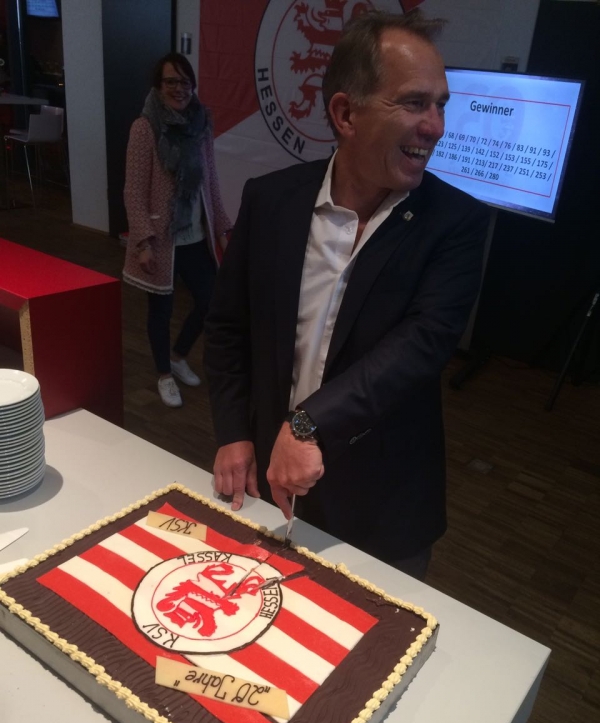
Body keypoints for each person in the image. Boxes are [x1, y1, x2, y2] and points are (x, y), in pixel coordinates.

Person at [203, 10, 490, 580]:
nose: (436, 126)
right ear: (346, 113)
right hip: (267, 480)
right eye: (415, 103)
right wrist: (233, 432)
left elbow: (423, 345)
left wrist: (307, 424)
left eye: (441, 105)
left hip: (383, 508)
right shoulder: (271, 200)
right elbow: (228, 326)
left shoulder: (456, 222)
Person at [123, 53, 231, 408]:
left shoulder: (202, 123)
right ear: (159, 86)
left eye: (185, 82)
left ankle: (179, 356)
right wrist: (143, 241)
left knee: (211, 302)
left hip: (195, 234)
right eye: (171, 81)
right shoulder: (145, 127)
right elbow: (134, 190)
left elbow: (211, 181)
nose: (179, 89)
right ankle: (164, 374)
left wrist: (222, 227)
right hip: (161, 239)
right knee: (161, 310)